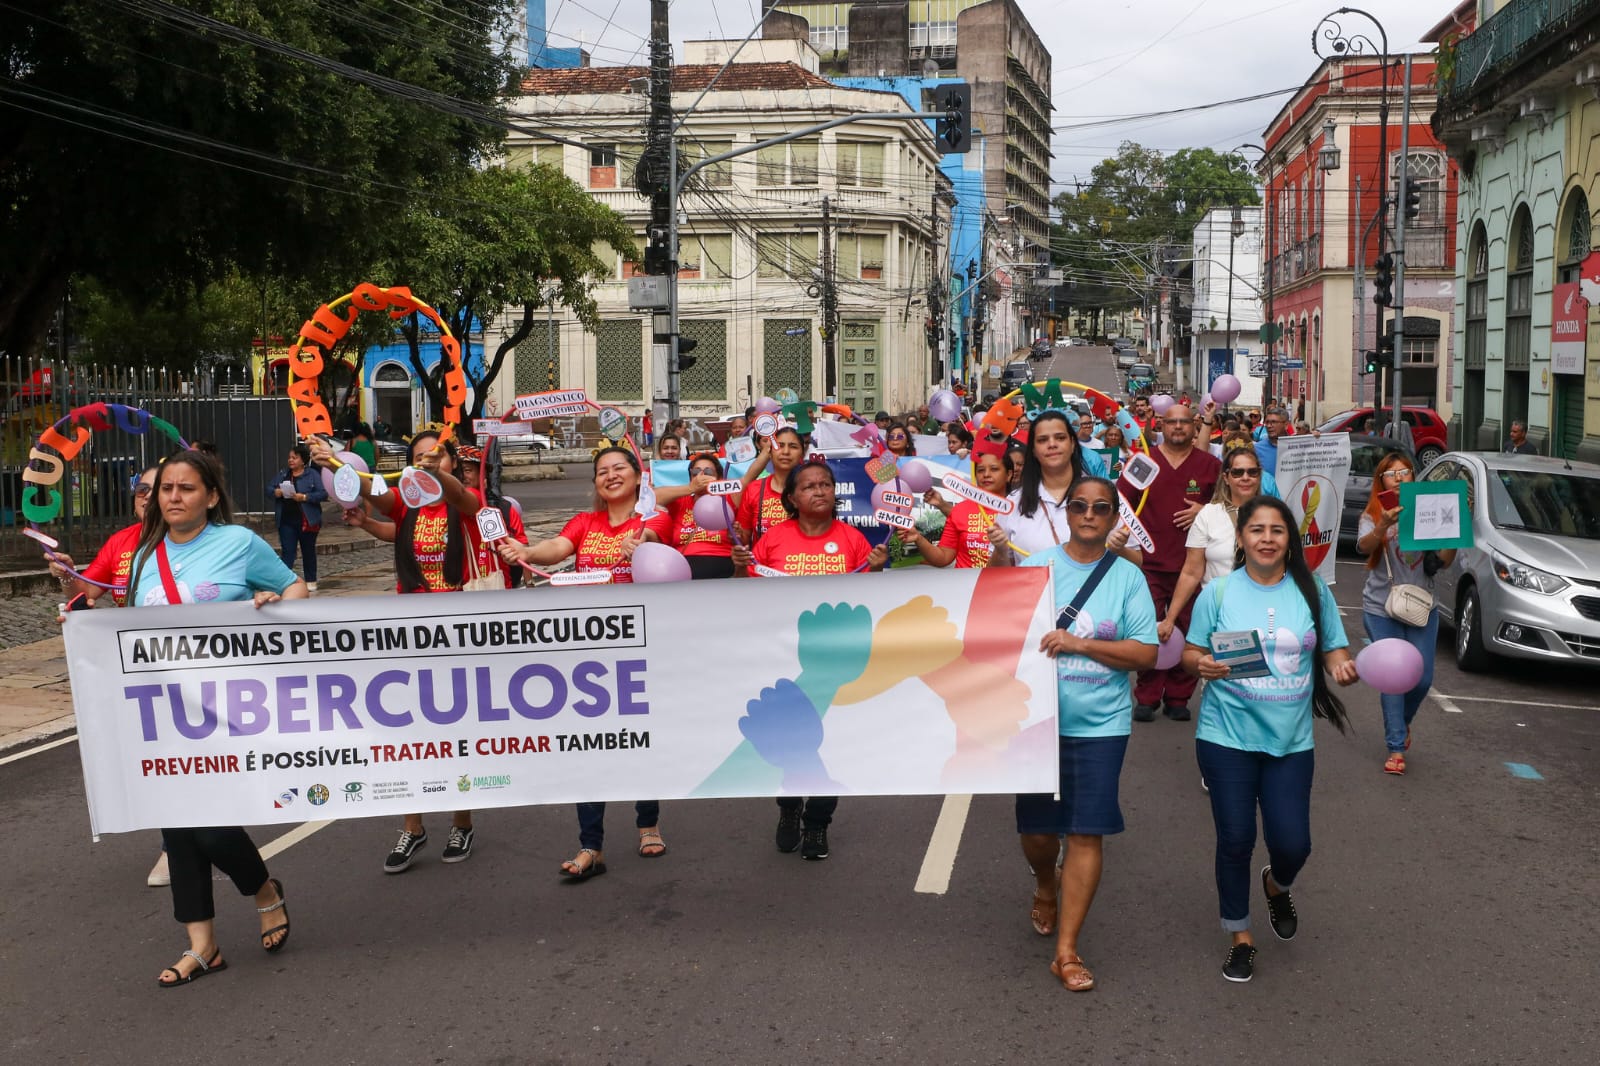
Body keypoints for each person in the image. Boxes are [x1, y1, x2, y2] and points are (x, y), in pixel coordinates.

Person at [122, 449, 308, 985]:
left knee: (208, 825)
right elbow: (134, 632)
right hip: (166, 710)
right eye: (165, 490)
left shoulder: (238, 544)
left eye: (186, 488)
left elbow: (293, 587)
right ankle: (202, 945)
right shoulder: (144, 556)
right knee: (178, 826)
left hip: (228, 708)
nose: (174, 497)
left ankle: (263, 890)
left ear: (212, 496)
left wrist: (275, 605)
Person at [1182, 496, 1358, 984]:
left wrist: (1339, 665)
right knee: (1236, 839)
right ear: (1240, 539)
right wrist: (1202, 665)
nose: (1265, 538)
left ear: (1289, 540)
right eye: (1255, 529)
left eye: (1276, 530)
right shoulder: (1217, 594)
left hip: (1291, 742)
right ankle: (1240, 937)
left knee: (1293, 844)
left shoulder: (1311, 590)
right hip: (1226, 736)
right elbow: (1190, 653)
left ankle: (1277, 886)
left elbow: (1333, 647)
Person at [996, 477, 1158, 991]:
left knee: (1087, 831)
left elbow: (1146, 654)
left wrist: (1080, 645)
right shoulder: (1035, 566)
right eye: (1081, 506)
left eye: (1101, 508)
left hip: (1101, 724)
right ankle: (1046, 881)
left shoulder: (1128, 578)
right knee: (1039, 835)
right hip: (1038, 723)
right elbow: (1001, 632)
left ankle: (1066, 951)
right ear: (1068, 512)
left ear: (1114, 518)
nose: (1089, 514)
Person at [313, 429, 491, 871]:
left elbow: (465, 499)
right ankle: (413, 827)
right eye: (416, 459)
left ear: (452, 462)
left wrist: (439, 476)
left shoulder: (465, 504)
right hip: (412, 634)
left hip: (459, 635)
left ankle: (462, 822)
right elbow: (375, 494)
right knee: (410, 735)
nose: (426, 463)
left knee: (455, 736)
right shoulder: (407, 503)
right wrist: (332, 462)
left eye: (436, 456)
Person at [497, 447, 670, 879]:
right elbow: (558, 547)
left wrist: (641, 542)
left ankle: (647, 822)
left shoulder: (652, 517)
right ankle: (591, 845)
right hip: (587, 654)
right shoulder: (585, 522)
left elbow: (654, 540)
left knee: (638, 741)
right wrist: (527, 551)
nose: (609, 477)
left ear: (636, 475)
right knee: (588, 745)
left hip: (638, 649)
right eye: (601, 472)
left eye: (618, 469)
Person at [730, 459, 887, 860]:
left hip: (835, 665)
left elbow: (870, 604)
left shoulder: (854, 540)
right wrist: (738, 570)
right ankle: (788, 806)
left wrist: (879, 571)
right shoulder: (771, 541)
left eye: (825, 485)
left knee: (830, 744)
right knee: (790, 740)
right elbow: (746, 600)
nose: (819, 491)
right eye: (809, 487)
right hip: (782, 660)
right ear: (792, 498)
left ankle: (817, 824)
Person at [48, 464, 169, 887]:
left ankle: (184, 844)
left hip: (194, 671)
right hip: (138, 673)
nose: (147, 497)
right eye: (141, 490)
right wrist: (68, 577)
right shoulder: (120, 543)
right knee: (156, 759)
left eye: (160, 489)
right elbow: (87, 594)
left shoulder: (203, 542)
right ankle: (180, 841)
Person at [1356, 452, 1456, 775]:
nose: (1399, 479)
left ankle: (1403, 722)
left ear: (1414, 477)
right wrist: (1383, 525)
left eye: (1405, 473)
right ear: (1381, 480)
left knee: (1423, 677)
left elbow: (1444, 560)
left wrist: (1454, 527)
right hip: (1380, 606)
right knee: (1395, 676)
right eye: (1391, 474)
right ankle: (1396, 746)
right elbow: (1363, 547)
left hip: (1421, 605)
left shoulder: (1428, 509)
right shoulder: (1372, 513)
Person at [1123, 403, 1221, 723]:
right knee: (1148, 631)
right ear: (1160, 425)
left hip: (1193, 566)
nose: (1177, 427)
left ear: (1195, 426)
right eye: (1171, 422)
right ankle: (1147, 696)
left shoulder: (1209, 465)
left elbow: (1227, 505)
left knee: (1191, 631)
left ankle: (1179, 696)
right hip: (1147, 563)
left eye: (1184, 422)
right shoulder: (1143, 462)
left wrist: (1203, 509)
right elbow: (1121, 503)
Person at [908, 450, 1012, 568]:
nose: (986, 474)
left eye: (994, 469)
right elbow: (943, 558)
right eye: (980, 470)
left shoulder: (1020, 511)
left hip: (1004, 584)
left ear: (1009, 475)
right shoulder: (960, 510)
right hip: (965, 585)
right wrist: (918, 538)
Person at [655, 451, 736, 579]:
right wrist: (690, 488)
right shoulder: (681, 501)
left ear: (719, 479)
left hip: (723, 567)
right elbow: (651, 498)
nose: (701, 476)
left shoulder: (728, 499)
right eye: (695, 473)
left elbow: (747, 480)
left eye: (708, 472)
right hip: (682, 569)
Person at [269, 443, 327, 592]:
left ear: (303, 460)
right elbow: (268, 489)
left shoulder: (312, 474)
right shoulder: (283, 474)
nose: (291, 460)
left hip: (307, 520)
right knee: (288, 552)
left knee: (308, 551)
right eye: (289, 457)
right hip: (286, 520)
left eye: (294, 458)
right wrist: (275, 492)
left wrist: (305, 497)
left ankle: (311, 580)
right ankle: (284, 581)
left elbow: (322, 493)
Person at [735, 426, 805, 547]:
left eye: (793, 446)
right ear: (769, 452)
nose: (786, 452)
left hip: (801, 561)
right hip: (764, 564)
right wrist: (737, 535)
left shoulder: (812, 489)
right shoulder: (754, 489)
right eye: (779, 446)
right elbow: (744, 538)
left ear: (802, 454)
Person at [1254, 406, 1290, 476]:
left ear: (1286, 425)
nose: (1269, 426)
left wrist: (1316, 439)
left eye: (1274, 422)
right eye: (1267, 422)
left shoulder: (1297, 447)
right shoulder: (1256, 449)